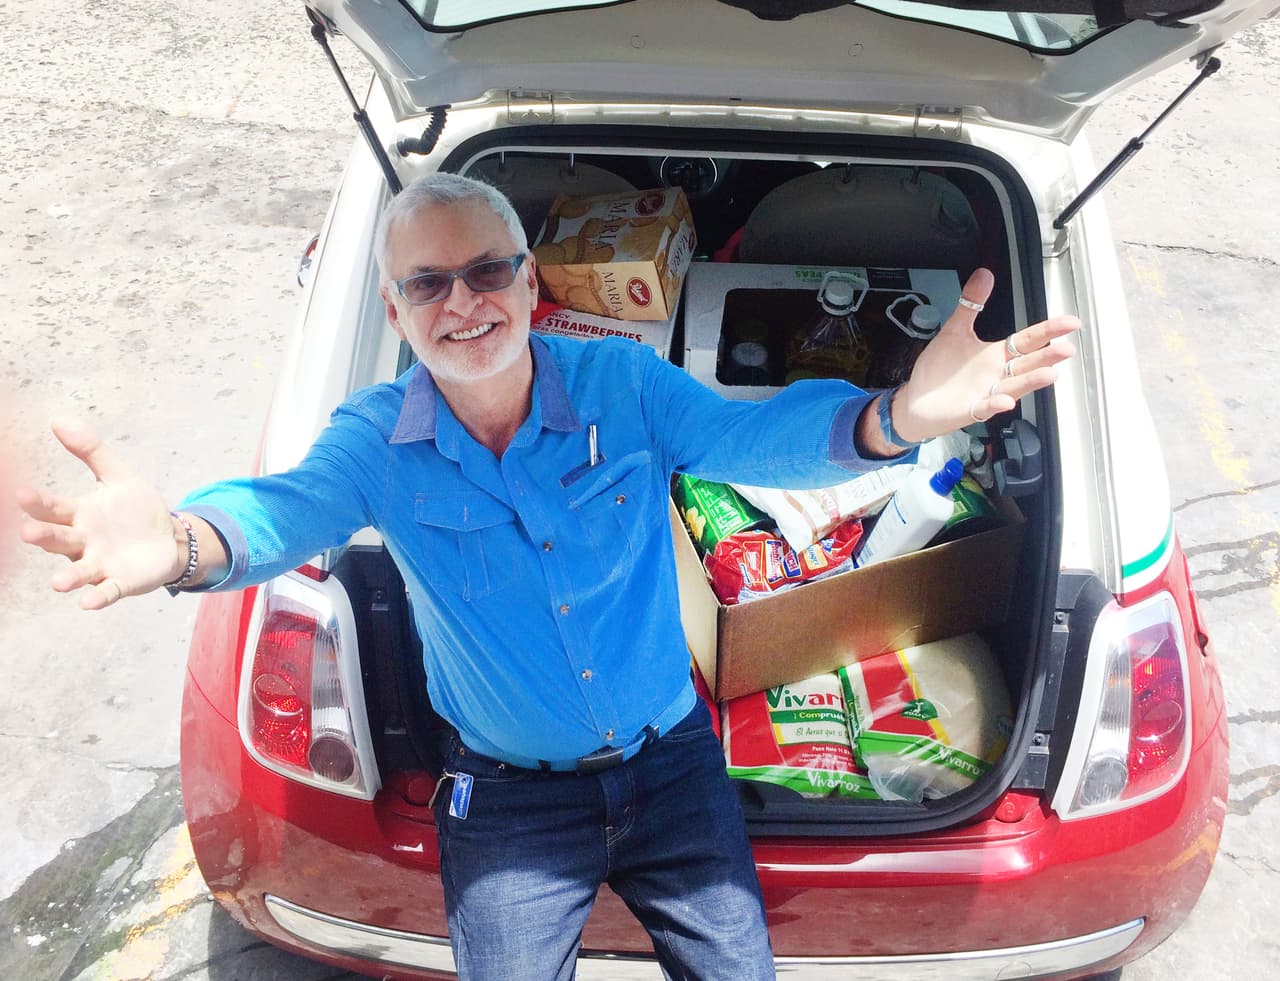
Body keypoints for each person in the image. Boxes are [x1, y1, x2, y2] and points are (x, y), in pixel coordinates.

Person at [17, 173, 1079, 979]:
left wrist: (896, 417)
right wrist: (178, 547)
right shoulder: (373, 441)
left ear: (529, 281)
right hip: (509, 803)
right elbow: (277, 510)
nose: (463, 301)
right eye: (427, 283)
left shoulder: (621, 383)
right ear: (395, 313)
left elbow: (754, 443)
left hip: (670, 771)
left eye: (486, 270)